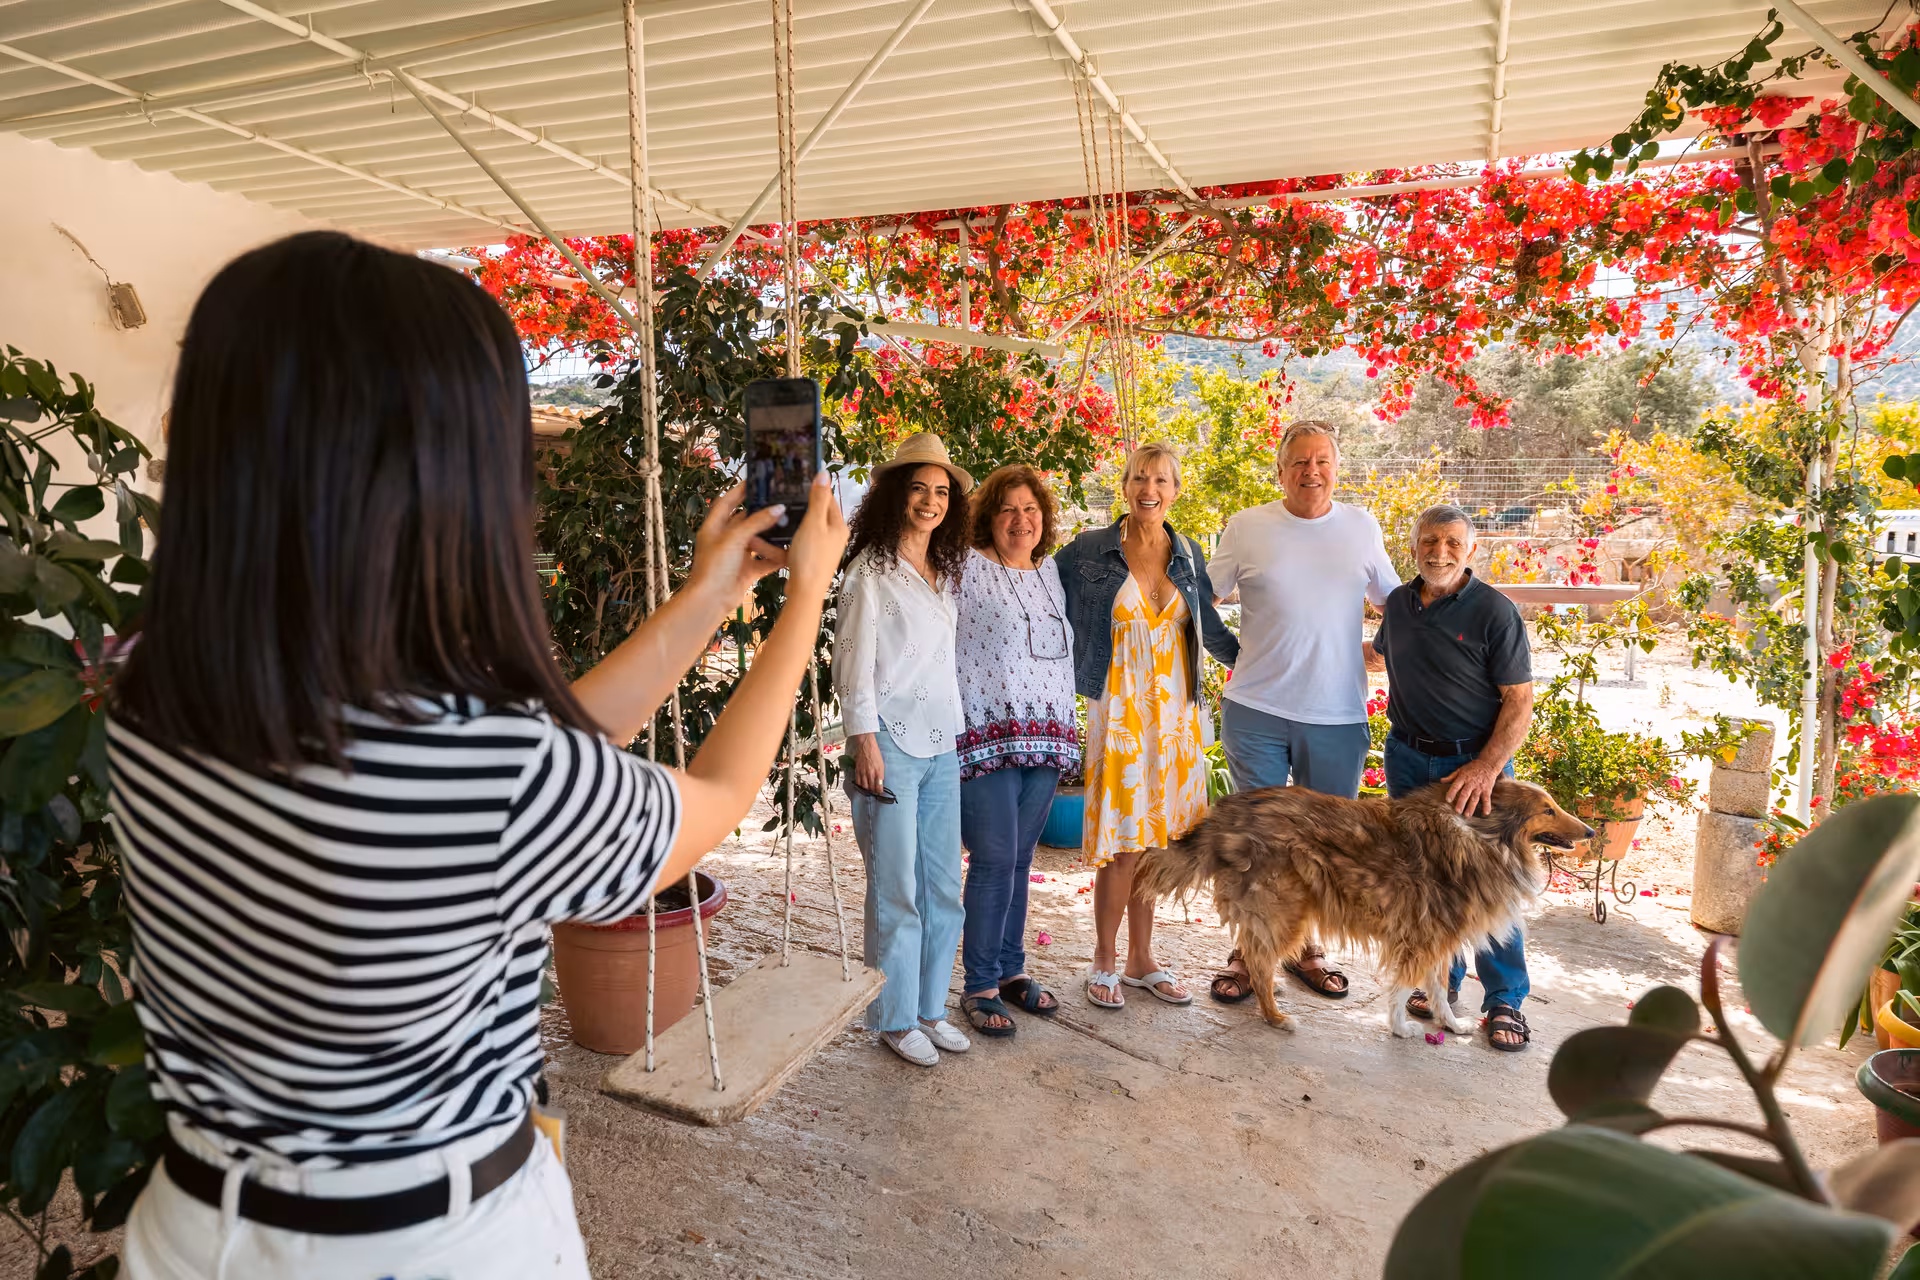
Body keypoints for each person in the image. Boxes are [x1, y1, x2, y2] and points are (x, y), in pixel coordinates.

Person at [107, 231, 847, 1279]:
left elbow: (528, 761)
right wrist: (805, 599)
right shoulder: (477, 768)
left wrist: (709, 597)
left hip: (195, 1229)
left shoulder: (155, 686)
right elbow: (715, 798)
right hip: (418, 1244)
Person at [1205, 420, 1399, 1006]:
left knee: (1324, 844)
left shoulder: (1362, 527)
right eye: (1299, 462)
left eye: (1321, 461)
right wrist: (1229, 654)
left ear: (1336, 469)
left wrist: (1379, 649)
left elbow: (1399, 606)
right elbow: (1200, 600)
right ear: (1281, 470)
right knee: (1259, 843)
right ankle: (1249, 950)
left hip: (1337, 715)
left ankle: (1306, 948)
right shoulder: (1247, 526)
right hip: (1256, 709)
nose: (1311, 472)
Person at [1055, 443, 1239, 1010]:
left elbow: (1210, 629)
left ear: (1175, 490)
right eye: (1139, 478)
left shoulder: (1188, 553)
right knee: (1121, 846)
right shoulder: (1087, 550)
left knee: (1157, 846)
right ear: (1126, 486)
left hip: (1176, 718)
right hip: (1120, 712)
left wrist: (1265, 665)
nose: (1149, 489)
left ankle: (1142, 960)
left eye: (1160, 480)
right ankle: (1104, 961)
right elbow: (1039, 597)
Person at [1373, 504, 1537, 1051]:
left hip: (1473, 768)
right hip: (1407, 761)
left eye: (1451, 542)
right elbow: (1380, 657)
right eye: (1429, 541)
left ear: (1471, 550)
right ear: (1413, 546)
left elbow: (1519, 701)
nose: (1438, 552)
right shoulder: (1399, 604)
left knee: (1490, 885)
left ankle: (1506, 999)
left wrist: (1488, 767)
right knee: (1424, 881)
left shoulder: (1494, 611)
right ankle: (1440, 981)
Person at [834, 433, 973, 1067]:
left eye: (941, 491)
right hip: (888, 740)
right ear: (897, 494)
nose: (930, 501)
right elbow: (851, 663)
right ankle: (894, 1019)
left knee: (944, 888)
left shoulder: (944, 571)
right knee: (896, 888)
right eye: (919, 488)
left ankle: (929, 1009)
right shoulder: (870, 572)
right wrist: (863, 741)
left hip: (943, 742)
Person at [953, 465, 1079, 1036]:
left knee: (1022, 860)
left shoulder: (1050, 571)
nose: (1020, 520)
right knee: (994, 859)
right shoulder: (963, 567)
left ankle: (1010, 970)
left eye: (1030, 509)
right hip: (986, 735)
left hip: (1046, 737)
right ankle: (979, 984)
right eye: (1008, 509)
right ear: (989, 516)